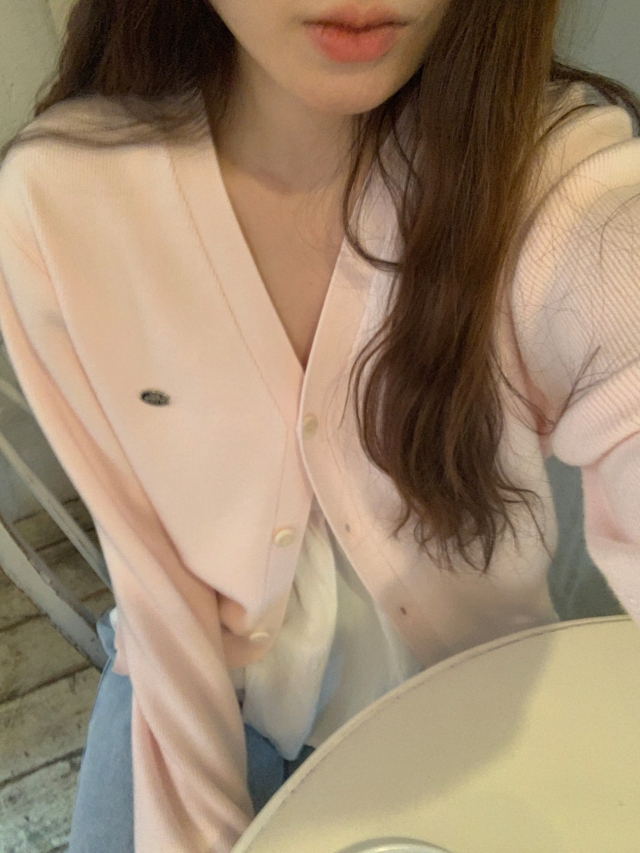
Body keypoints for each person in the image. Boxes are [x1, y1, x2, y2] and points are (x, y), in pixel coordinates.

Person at [0, 1, 639, 851]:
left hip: (469, 695)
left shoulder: (551, 177)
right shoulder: (60, 207)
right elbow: (152, 581)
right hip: (196, 689)